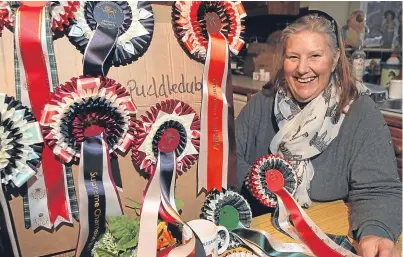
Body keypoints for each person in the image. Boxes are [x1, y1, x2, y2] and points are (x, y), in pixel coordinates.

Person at [235, 10, 402, 257]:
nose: (302, 69)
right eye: (293, 57)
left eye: (315, 56)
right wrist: (259, 186)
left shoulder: (360, 110)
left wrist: (374, 230)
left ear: (334, 60)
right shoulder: (262, 103)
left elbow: (379, 188)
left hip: (329, 234)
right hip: (262, 236)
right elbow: (228, 161)